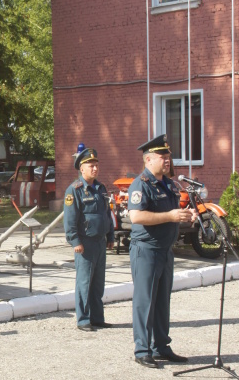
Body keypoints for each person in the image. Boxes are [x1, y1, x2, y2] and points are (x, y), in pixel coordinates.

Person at [127, 134, 198, 368]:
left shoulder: (168, 184)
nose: (167, 160)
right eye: (162, 156)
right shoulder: (141, 184)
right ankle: (142, 349)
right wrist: (170, 216)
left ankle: (161, 347)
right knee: (145, 300)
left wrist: (187, 215)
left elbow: (172, 214)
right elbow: (136, 216)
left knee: (162, 302)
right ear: (148, 160)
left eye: (168, 156)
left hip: (165, 250)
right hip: (146, 250)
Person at [63, 146, 115, 332]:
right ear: (81, 168)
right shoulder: (74, 190)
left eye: (96, 165)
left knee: (98, 283)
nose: (95, 168)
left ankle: (97, 317)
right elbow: (70, 220)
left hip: (100, 242)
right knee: (84, 283)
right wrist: (75, 241)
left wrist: (111, 235)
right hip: (85, 245)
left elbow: (107, 214)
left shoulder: (101, 188)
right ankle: (83, 319)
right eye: (90, 165)